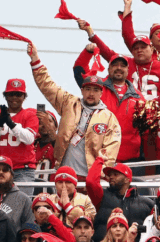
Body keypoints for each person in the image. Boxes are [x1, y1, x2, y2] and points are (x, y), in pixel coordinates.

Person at [28, 43, 122, 174]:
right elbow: (47, 86)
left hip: (90, 177)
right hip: (64, 173)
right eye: (88, 89)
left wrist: (99, 176)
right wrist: (35, 59)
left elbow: (111, 151)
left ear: (101, 93)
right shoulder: (69, 103)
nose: (91, 93)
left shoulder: (109, 118)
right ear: (82, 90)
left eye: (95, 90)